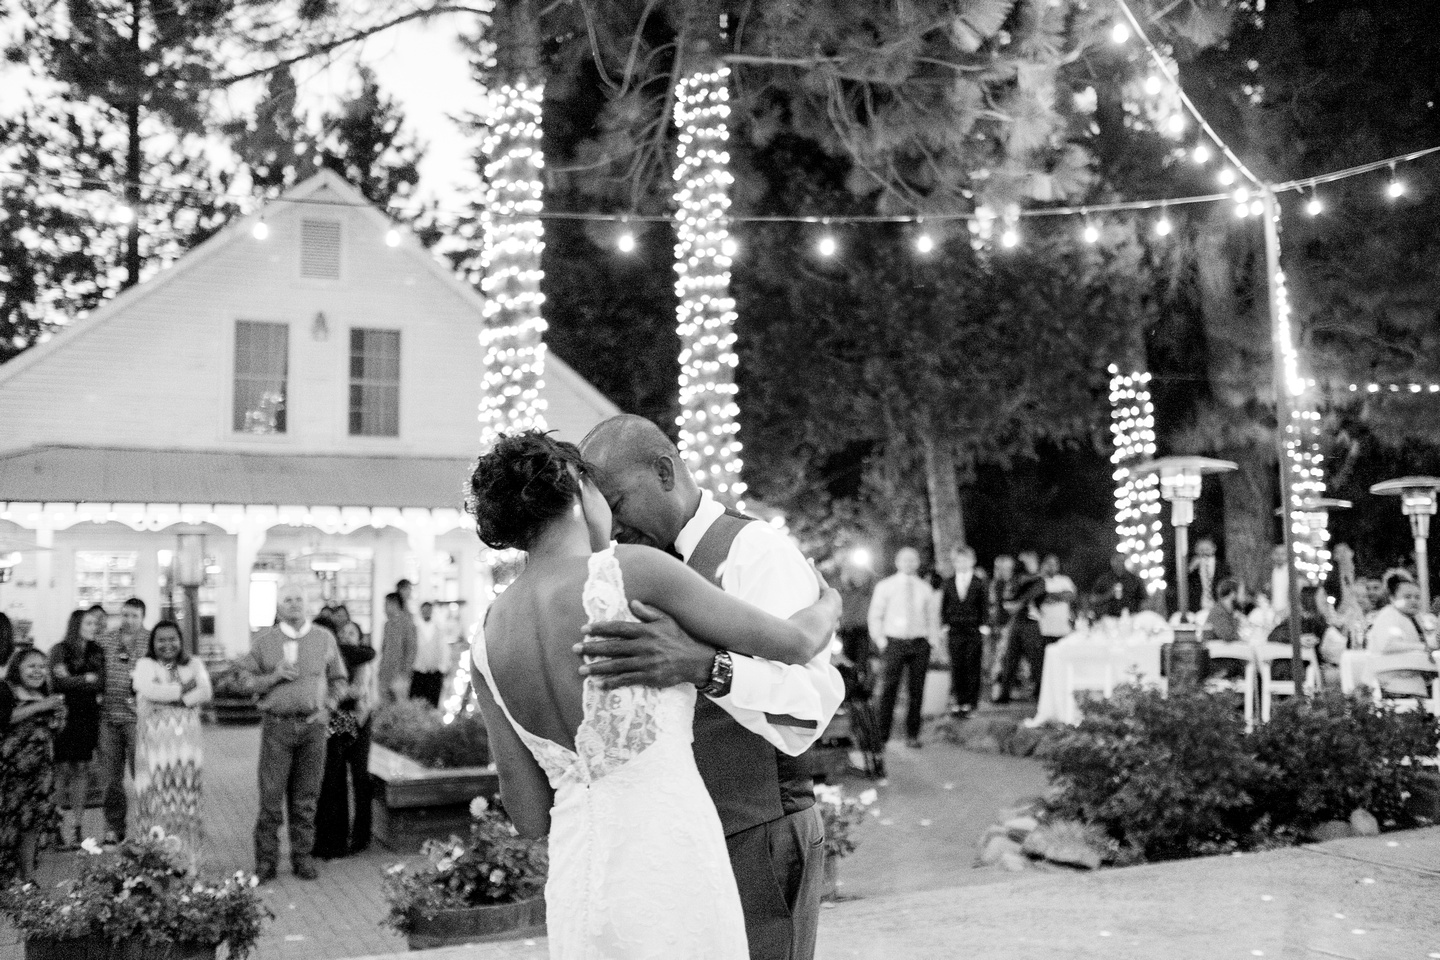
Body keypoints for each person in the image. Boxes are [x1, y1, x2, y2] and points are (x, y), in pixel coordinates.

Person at [466, 430, 841, 960]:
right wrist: (829, 604)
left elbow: (528, 813)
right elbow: (796, 643)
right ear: (578, 488)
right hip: (672, 856)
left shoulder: (485, 638)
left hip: (579, 878)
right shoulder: (630, 572)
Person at [577, 415, 845, 960]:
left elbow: (811, 706)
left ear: (664, 472)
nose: (613, 525)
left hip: (758, 828)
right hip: (678, 840)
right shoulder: (627, 569)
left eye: (618, 502)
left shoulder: (755, 551)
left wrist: (708, 668)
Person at [234, 582, 347, 882]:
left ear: (307, 604)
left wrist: (329, 708)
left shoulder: (324, 638)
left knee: (306, 798)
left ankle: (302, 858)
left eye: (298, 598)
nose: (294, 604)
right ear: (278, 607)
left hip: (313, 728)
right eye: (287, 600)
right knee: (271, 799)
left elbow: (339, 680)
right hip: (277, 727)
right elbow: (242, 680)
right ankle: (266, 861)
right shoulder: (264, 642)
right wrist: (273, 677)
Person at [131, 620, 212, 869]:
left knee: (186, 798)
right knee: (156, 798)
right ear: (153, 643)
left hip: (187, 746)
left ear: (180, 640)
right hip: (154, 745)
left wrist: (169, 697)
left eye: (172, 639)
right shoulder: (145, 664)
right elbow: (146, 689)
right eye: (161, 640)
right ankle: (154, 863)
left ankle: (188, 862)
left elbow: (206, 692)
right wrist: (184, 691)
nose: (167, 644)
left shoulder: (194, 663)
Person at [0, 647, 66, 883]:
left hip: (40, 773)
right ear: (17, 668)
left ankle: (27, 880)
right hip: (11, 773)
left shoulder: (45, 693)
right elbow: (5, 718)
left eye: (42, 667)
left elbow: (50, 731)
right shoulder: (6, 689)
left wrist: (59, 719)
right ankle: (7, 879)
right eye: (31, 666)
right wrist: (41, 706)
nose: (38, 671)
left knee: (32, 825)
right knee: (9, 825)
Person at [313, 618, 377, 859]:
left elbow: (359, 690)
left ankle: (361, 834)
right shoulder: (337, 656)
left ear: (359, 638)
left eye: (352, 632)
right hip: (338, 722)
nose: (346, 636)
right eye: (343, 632)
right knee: (335, 777)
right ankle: (338, 836)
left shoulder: (362, 659)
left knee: (359, 777)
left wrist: (333, 694)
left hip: (358, 721)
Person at [867, 547, 937, 749]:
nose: (909, 564)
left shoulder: (925, 588)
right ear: (897, 562)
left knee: (917, 690)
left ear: (918, 563)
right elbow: (875, 615)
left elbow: (932, 616)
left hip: (919, 642)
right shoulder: (885, 586)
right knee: (889, 689)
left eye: (912, 560)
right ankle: (882, 736)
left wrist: (932, 641)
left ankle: (912, 734)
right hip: (894, 642)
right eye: (905, 560)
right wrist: (881, 640)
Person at [49, 608, 106, 847]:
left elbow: (100, 683)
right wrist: (85, 679)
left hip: (87, 714)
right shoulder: (59, 650)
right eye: (89, 623)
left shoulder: (97, 651)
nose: (94, 627)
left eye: (95, 624)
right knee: (61, 769)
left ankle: (77, 825)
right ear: (76, 625)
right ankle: (55, 824)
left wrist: (76, 681)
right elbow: (58, 682)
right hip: (64, 715)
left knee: (82, 767)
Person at [98, 597, 147, 844]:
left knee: (143, 776)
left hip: (138, 720)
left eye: (134, 616)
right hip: (108, 717)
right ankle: (114, 827)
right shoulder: (105, 640)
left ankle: (147, 827)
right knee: (111, 779)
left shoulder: (151, 641)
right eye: (125, 614)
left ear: (142, 618)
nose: (128, 620)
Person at [1365, 572, 1437, 699]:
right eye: (1407, 597)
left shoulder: (1414, 617)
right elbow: (1388, 644)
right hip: (1394, 686)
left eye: (1417, 597)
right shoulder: (1389, 616)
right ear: (1393, 598)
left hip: (1415, 680)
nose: (1413, 601)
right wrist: (1423, 647)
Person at [937, 545, 987, 717]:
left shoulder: (979, 582)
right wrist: (944, 623)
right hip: (955, 629)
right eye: (958, 561)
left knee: (973, 665)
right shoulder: (949, 582)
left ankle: (971, 703)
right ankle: (959, 701)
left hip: (973, 629)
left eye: (965, 560)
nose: (962, 564)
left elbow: (984, 604)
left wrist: (984, 624)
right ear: (954, 563)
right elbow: (944, 605)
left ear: (972, 561)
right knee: (957, 665)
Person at [994, 551, 1044, 703]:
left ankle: (1041, 693)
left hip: (1031, 623)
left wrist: (1018, 603)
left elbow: (1029, 596)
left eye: (1028, 561)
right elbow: (1008, 597)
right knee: (1010, 659)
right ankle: (1004, 694)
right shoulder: (1017, 579)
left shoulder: (1039, 580)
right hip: (1016, 622)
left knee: (1035, 660)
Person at [377, 592, 416, 703]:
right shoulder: (387, 625)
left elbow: (411, 650)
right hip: (385, 674)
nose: (384, 608)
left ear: (394, 604)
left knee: (400, 706)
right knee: (385, 705)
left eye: (386, 604)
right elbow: (384, 649)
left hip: (399, 675)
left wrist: (405, 673)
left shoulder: (407, 624)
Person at [410, 602, 446, 707]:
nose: (426, 612)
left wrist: (442, 667)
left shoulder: (438, 629)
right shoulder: (415, 629)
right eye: (424, 610)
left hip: (434, 671)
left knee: (433, 703)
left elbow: (443, 649)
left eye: (428, 610)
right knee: (417, 702)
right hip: (418, 671)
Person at [1088, 554, 1146, 618]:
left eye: (1122, 561)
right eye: (1118, 561)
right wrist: (1108, 595)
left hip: (1131, 617)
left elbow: (1144, 599)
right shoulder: (1104, 579)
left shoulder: (1134, 579)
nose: (1120, 563)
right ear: (1112, 562)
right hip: (1109, 617)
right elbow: (1092, 599)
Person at [1186, 538, 1228, 614]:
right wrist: (1191, 567)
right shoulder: (1193, 565)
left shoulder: (1222, 566)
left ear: (1214, 548)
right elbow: (1183, 582)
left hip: (1217, 605)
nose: (1204, 552)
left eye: (1207, 549)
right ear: (1196, 550)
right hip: (1198, 606)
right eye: (1201, 550)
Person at [1203, 579, 1244, 644]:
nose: (1244, 596)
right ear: (1232, 594)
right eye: (1241, 593)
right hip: (1215, 648)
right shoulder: (1218, 612)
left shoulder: (1230, 611)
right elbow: (1227, 636)